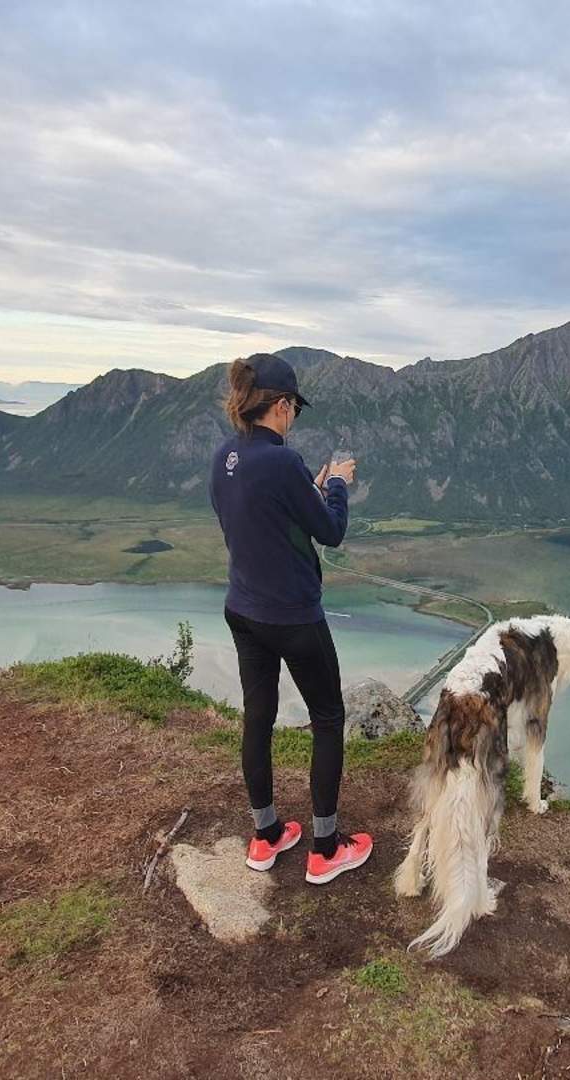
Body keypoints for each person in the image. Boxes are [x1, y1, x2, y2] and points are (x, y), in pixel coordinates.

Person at [209, 353, 372, 884]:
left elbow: (258, 516)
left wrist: (309, 484)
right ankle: (325, 848)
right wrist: (337, 484)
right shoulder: (282, 461)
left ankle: (267, 834)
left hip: (243, 610)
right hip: (293, 617)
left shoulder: (224, 457)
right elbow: (330, 531)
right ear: (281, 405)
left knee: (258, 718)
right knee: (328, 718)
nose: (294, 417)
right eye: (294, 407)